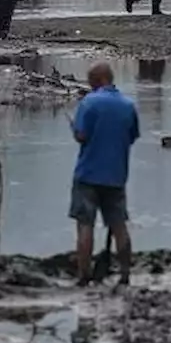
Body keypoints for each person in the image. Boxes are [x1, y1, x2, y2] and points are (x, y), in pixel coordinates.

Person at [69, 61, 140, 287]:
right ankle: (125, 274)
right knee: (119, 225)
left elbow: (82, 136)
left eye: (91, 83)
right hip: (116, 175)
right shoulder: (128, 105)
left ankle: (84, 275)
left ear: (98, 81)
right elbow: (132, 136)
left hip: (88, 174)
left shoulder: (89, 103)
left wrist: (74, 130)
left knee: (85, 224)